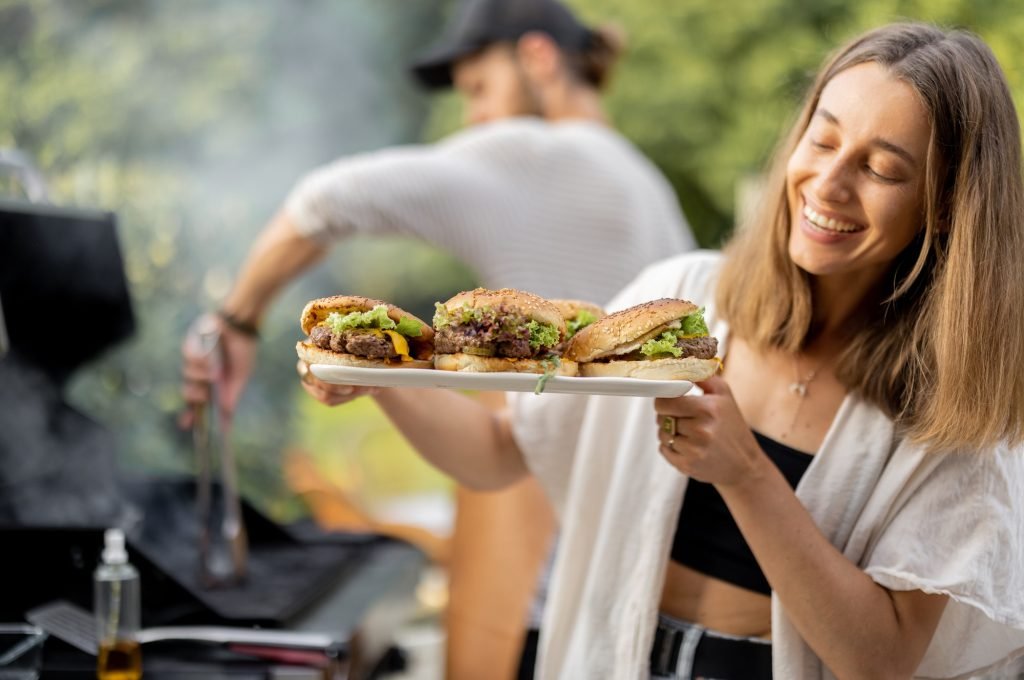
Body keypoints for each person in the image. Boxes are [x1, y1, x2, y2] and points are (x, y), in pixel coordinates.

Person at [300, 22, 1024, 679]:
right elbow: (495, 454)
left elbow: (883, 659)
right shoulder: (682, 297)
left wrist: (745, 474)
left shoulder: (960, 413)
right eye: (824, 140)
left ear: (946, 205)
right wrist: (377, 374)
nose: (829, 185)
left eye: (883, 169)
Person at [181, 0, 696, 677]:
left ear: (537, 58)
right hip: (655, 588)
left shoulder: (538, 154)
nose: (475, 118)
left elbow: (323, 199)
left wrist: (238, 320)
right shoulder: (645, 183)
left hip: (554, 594)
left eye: (480, 89)